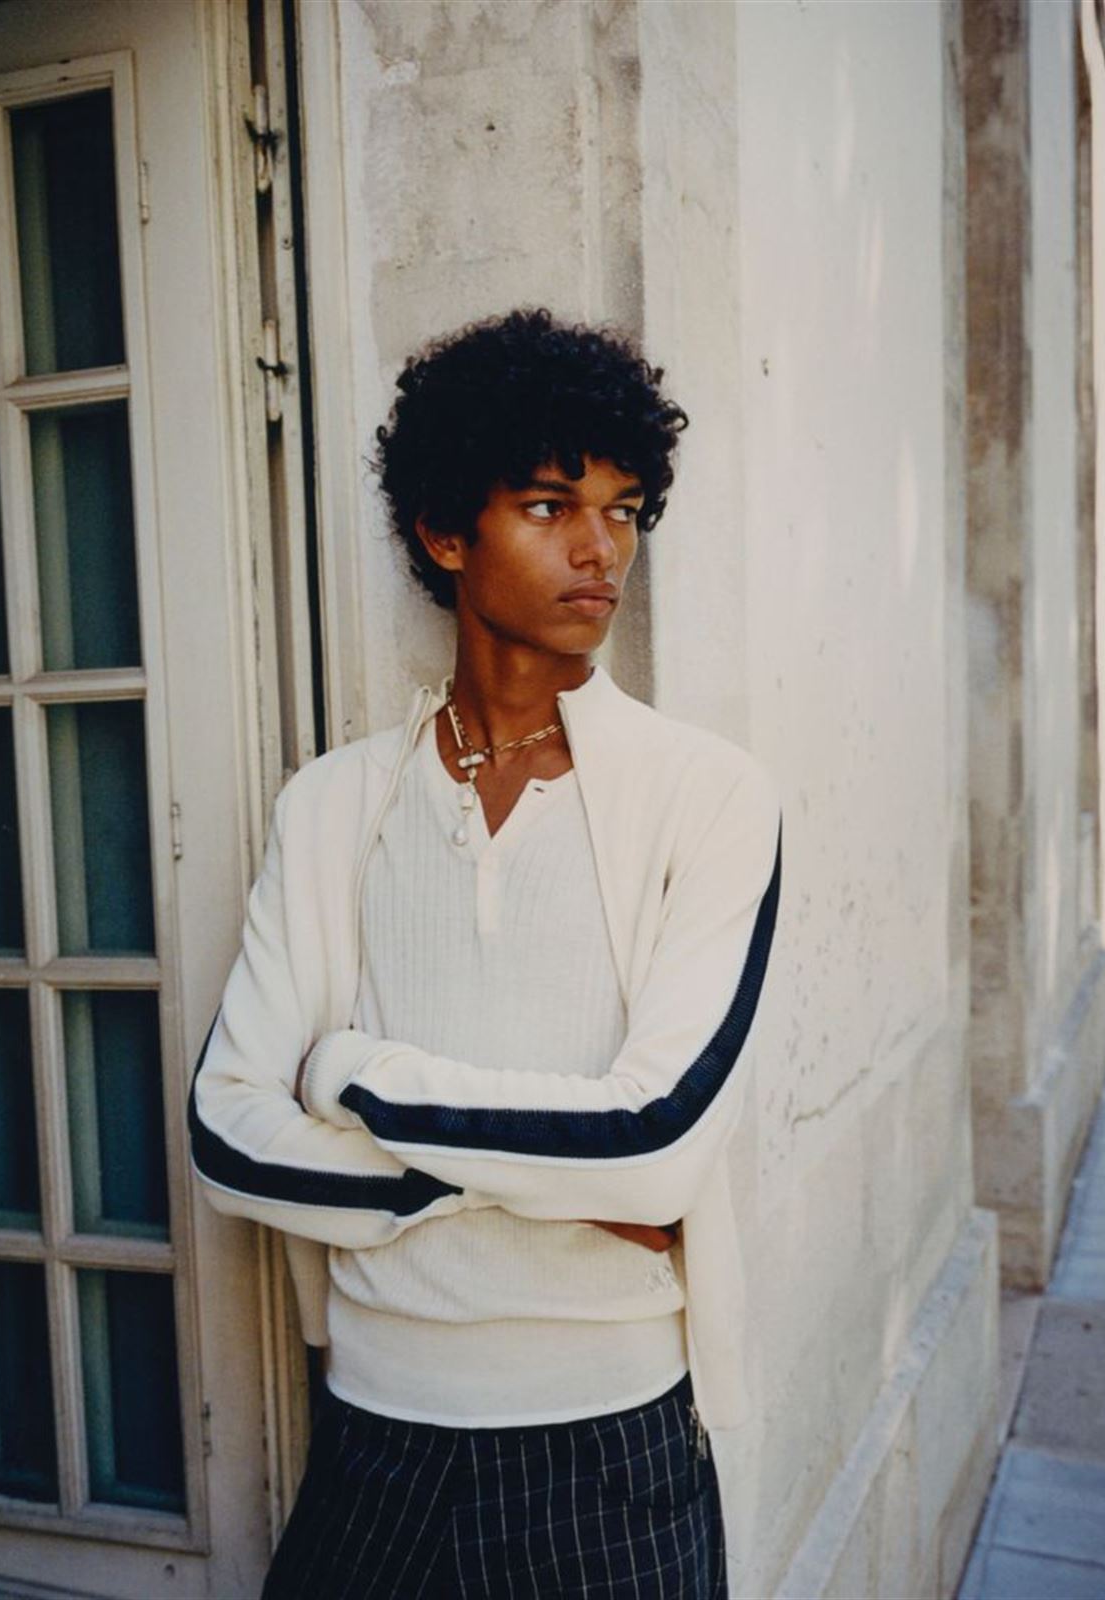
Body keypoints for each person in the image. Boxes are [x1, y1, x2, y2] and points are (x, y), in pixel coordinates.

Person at [189, 307, 782, 1598]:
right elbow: (226, 1135)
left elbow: (657, 1148)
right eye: (550, 505)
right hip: (374, 1444)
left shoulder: (711, 797)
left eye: (624, 510)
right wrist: (518, 1179)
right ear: (446, 533)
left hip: (609, 1458)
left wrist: (346, 1076)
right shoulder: (333, 806)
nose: (600, 549)